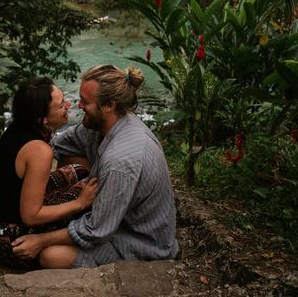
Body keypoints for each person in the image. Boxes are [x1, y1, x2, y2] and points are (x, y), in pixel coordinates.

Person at [11, 65, 179, 268]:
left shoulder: (119, 162)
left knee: (50, 255)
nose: (78, 105)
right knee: (71, 157)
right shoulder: (98, 126)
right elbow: (58, 145)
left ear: (109, 105)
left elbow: (96, 230)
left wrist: (42, 240)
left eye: (86, 102)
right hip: (115, 220)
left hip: (139, 241)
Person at [0, 76, 99, 269]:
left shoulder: (18, 127)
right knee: (90, 196)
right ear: (43, 119)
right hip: (9, 240)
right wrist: (79, 203)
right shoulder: (39, 151)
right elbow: (31, 216)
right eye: (61, 105)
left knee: (79, 171)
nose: (69, 105)